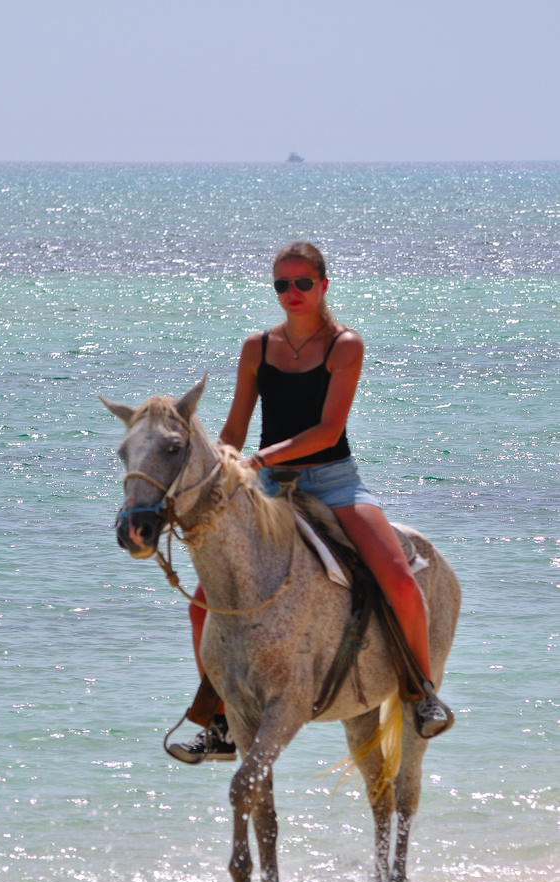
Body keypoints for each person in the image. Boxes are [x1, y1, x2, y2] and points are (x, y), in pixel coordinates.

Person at [167, 241, 453, 764]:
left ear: (324, 285)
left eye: (303, 283)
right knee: (200, 605)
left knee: (400, 579)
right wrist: (219, 470)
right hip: (272, 488)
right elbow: (233, 428)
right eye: (282, 284)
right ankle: (221, 724)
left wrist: (258, 460)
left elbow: (328, 431)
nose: (292, 293)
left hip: (335, 481)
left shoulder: (345, 345)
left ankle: (421, 692)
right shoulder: (257, 346)